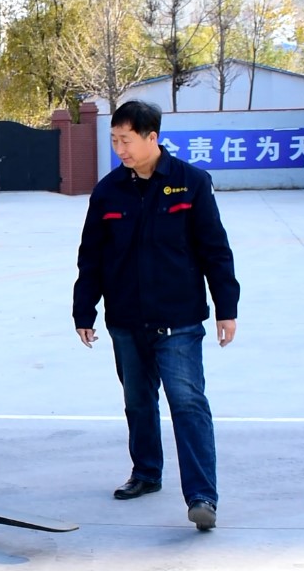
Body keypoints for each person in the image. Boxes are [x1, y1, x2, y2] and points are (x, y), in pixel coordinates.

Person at [72, 100, 240, 531]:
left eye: (126, 140)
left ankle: (202, 497)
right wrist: (84, 309)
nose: (120, 149)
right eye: (114, 140)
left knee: (188, 403)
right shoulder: (108, 191)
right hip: (126, 319)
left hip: (178, 319)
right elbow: (91, 256)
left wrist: (226, 308)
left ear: (152, 137)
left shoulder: (191, 183)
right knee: (138, 401)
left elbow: (215, 250)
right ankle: (146, 472)